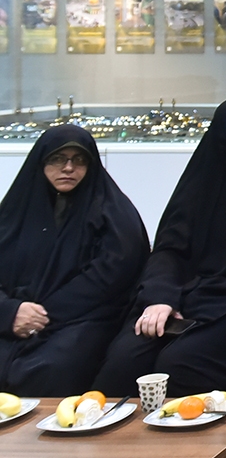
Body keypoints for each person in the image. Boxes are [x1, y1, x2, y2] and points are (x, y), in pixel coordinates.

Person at [92, 97, 226, 398]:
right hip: (189, 298)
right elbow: (170, 249)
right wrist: (160, 298)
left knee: (180, 363)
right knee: (126, 360)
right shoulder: (201, 186)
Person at [0, 125, 150, 396]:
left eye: (79, 160)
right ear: (41, 162)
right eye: (58, 159)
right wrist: (10, 312)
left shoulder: (112, 213)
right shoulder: (14, 213)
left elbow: (112, 275)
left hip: (84, 319)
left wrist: (44, 314)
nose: (68, 168)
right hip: (15, 317)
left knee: (52, 367)